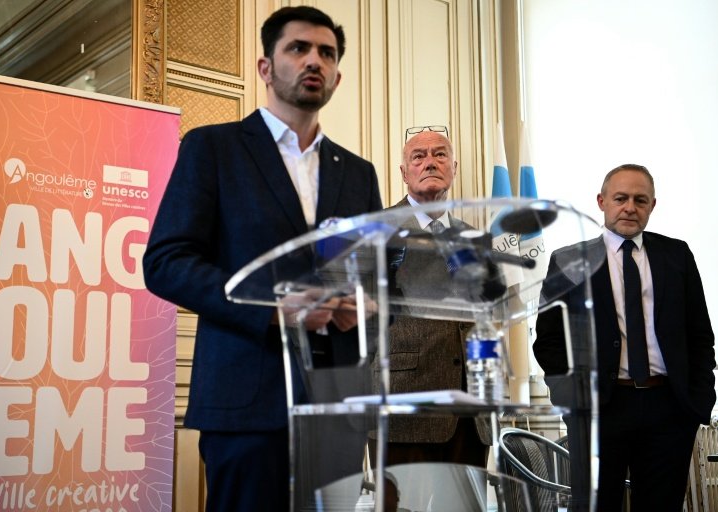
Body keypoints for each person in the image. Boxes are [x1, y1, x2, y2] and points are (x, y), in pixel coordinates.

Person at [142, 6, 382, 512]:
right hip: (247, 402)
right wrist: (273, 311)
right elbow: (166, 261)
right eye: (298, 48)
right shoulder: (214, 148)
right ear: (266, 68)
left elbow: (373, 275)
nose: (314, 60)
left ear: (337, 77)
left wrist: (366, 305)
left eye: (327, 53)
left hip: (337, 403)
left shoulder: (359, 173)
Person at [533, 163, 716, 511]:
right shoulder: (569, 260)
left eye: (640, 200)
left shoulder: (677, 255)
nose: (630, 207)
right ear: (602, 201)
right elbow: (549, 342)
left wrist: (697, 402)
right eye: (621, 198)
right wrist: (573, 400)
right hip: (599, 410)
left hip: (669, 408)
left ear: (652, 206)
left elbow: (699, 335)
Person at [370, 128, 489, 469]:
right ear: (404, 173)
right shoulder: (377, 230)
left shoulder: (475, 238)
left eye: (439, 154)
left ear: (454, 167)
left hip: (470, 413)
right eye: (418, 157)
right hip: (403, 405)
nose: (430, 162)